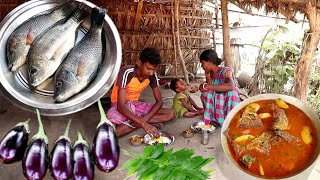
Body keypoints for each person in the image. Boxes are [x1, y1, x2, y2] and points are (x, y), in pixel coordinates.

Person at [106, 48, 175, 137]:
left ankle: (135, 122)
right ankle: (137, 122)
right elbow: (121, 107)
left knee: (170, 114)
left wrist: (144, 120)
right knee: (111, 133)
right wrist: (144, 124)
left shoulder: (152, 75)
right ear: (139, 63)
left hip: (135, 105)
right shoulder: (127, 72)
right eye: (148, 68)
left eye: (154, 70)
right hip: (119, 105)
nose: (151, 73)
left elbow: (159, 101)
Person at [199, 49, 240, 127]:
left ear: (210, 61)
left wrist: (208, 86)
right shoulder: (208, 74)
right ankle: (213, 119)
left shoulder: (226, 71)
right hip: (217, 97)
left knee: (232, 93)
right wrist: (203, 86)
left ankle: (230, 120)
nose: (202, 66)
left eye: (203, 63)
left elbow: (231, 85)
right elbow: (207, 86)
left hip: (225, 97)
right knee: (206, 93)